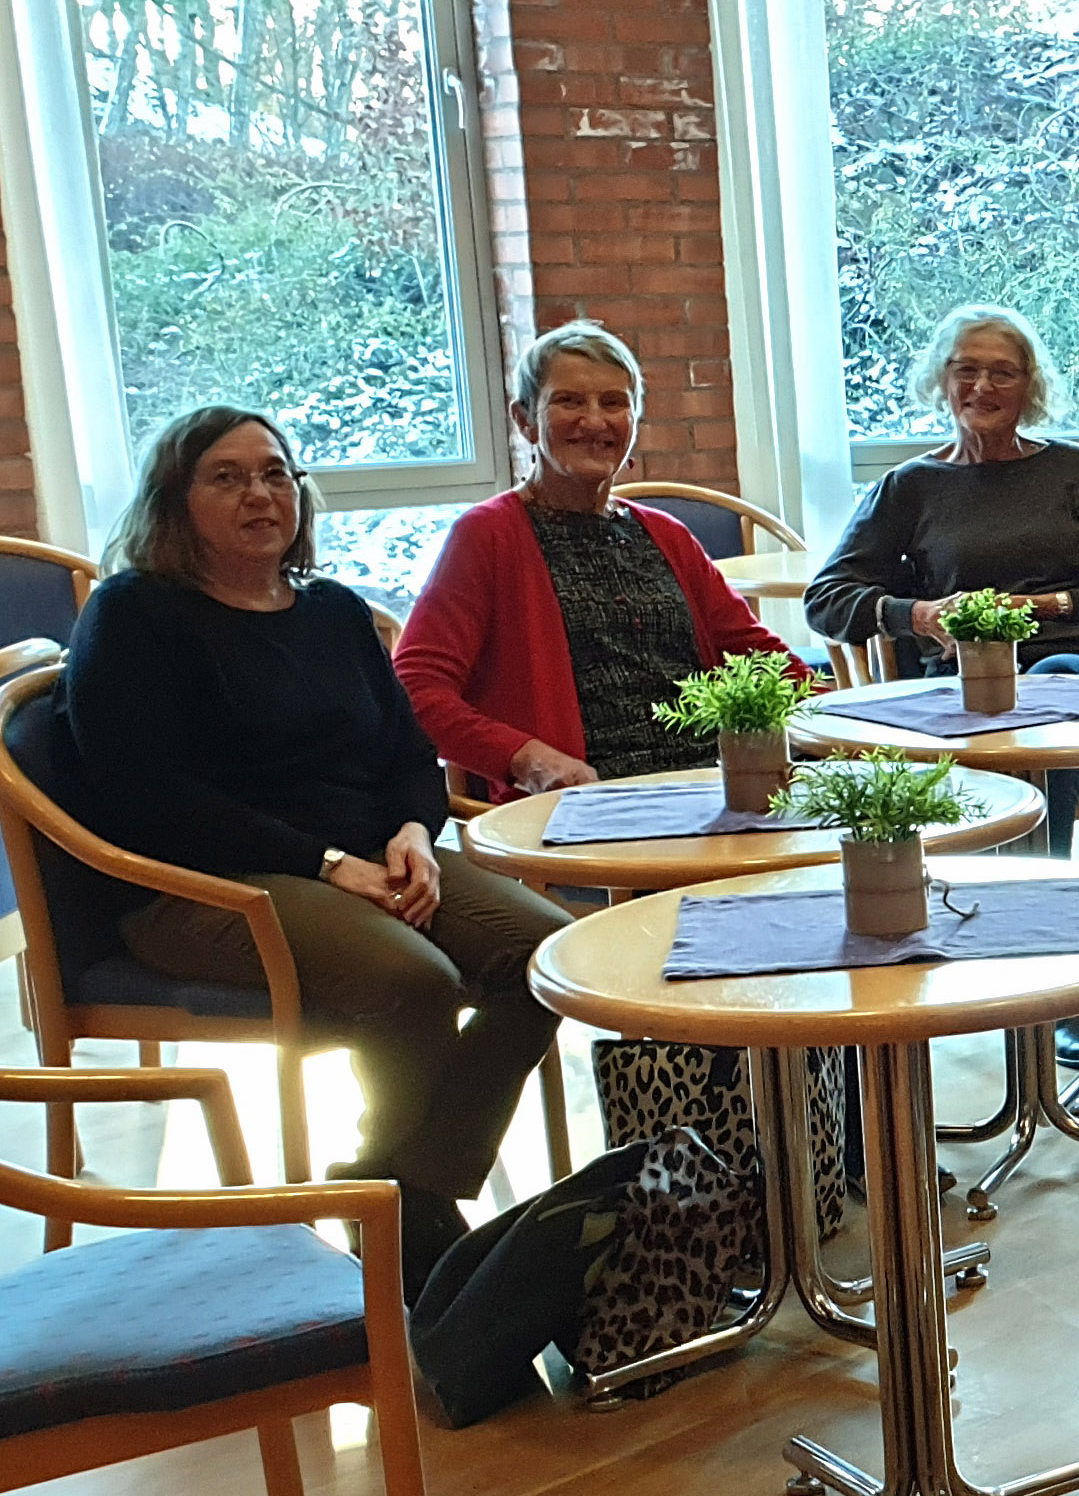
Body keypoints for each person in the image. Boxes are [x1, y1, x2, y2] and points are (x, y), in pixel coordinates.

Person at [45, 407, 571, 1288]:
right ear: (173, 500)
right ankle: (412, 1229)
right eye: (227, 476)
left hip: (365, 857)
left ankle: (396, 1186)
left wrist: (414, 834)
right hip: (198, 884)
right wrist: (327, 866)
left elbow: (407, 752)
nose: (260, 493)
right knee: (411, 982)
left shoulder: (331, 611)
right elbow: (151, 800)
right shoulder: (133, 614)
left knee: (551, 954)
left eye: (276, 473)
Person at [805, 304, 1079, 1070]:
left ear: (1031, 387)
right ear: (942, 379)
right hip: (961, 698)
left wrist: (1039, 609)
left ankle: (1044, 975)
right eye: (967, 368)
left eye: (1003, 370)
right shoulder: (911, 487)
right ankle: (1044, 975)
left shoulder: (1074, 473)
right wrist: (920, 615)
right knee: (1004, 717)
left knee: (1046, 688)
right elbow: (827, 600)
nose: (983, 384)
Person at [396, 321, 808, 798]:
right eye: (568, 401)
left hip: (713, 787)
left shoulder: (666, 535)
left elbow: (764, 661)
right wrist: (524, 758)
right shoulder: (487, 535)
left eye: (614, 403)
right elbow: (414, 687)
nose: (594, 422)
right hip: (578, 805)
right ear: (525, 420)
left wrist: (845, 724)